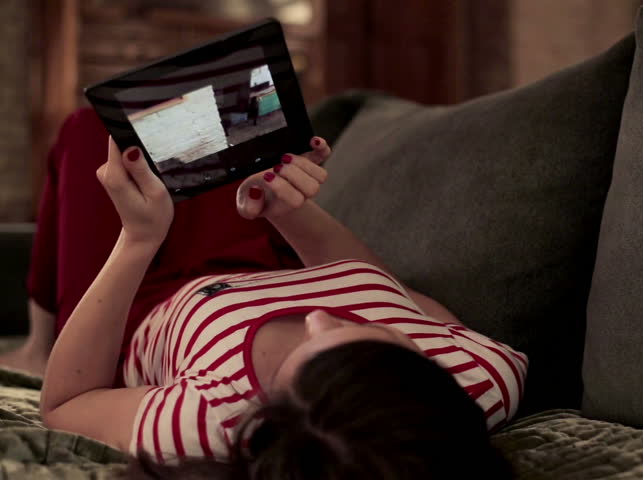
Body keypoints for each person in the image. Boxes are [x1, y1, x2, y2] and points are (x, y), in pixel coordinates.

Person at [9, 109, 525, 477]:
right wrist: (286, 206)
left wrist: (138, 240)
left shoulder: (209, 421)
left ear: (269, 416)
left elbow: (69, 402)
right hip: (264, 259)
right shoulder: (478, 383)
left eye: (303, 351)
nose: (319, 318)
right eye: (370, 334)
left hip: (140, 300)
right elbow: (389, 295)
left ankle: (38, 344)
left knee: (90, 133)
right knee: (230, 122)